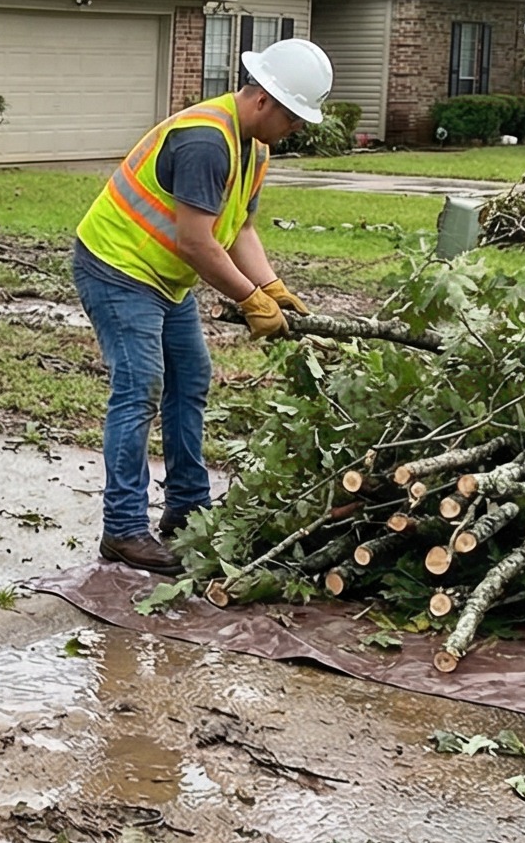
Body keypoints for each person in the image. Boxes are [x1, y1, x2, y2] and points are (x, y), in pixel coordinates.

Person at [69, 38, 335, 573]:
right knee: (140, 386)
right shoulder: (205, 142)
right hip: (117, 268)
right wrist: (249, 299)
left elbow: (239, 231)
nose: (297, 130)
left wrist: (273, 288)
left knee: (190, 377)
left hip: (164, 279)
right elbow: (196, 242)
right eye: (293, 118)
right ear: (262, 100)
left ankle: (187, 505)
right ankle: (122, 528)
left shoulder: (254, 147)